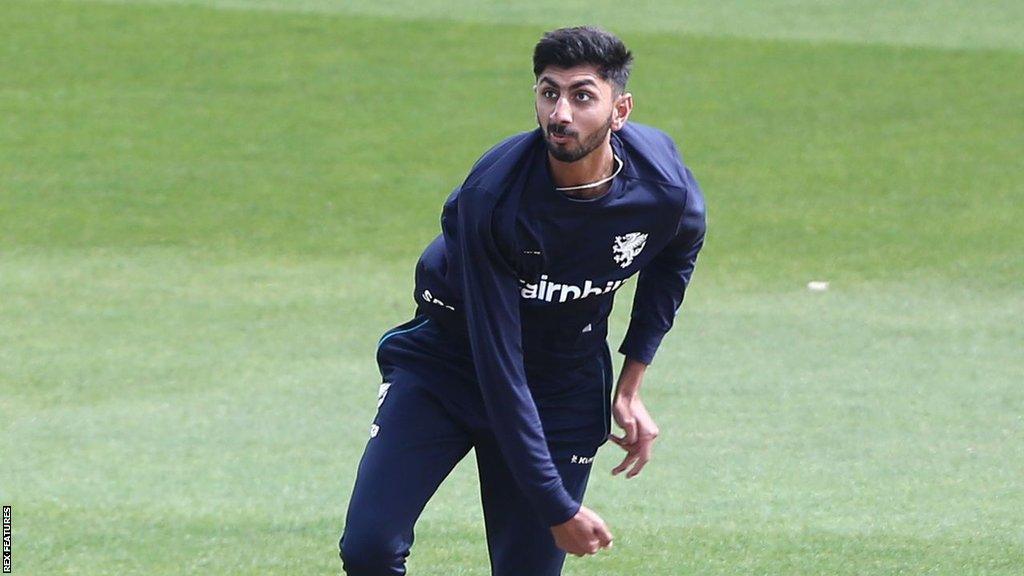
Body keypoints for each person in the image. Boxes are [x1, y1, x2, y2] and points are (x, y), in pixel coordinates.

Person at [338, 26, 707, 576]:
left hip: (563, 380)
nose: (561, 114)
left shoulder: (660, 182)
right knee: (368, 550)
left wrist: (630, 385)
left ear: (620, 109)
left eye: (582, 96)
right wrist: (556, 506)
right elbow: (498, 360)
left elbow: (678, 252)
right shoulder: (492, 198)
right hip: (450, 366)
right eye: (548, 92)